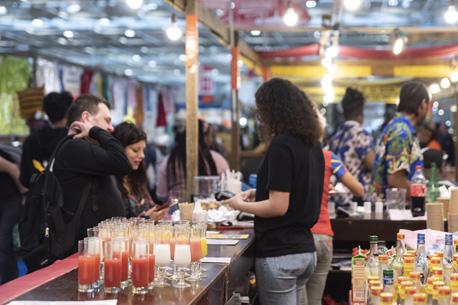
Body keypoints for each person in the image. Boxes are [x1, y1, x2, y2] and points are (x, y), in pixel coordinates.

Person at [225, 78, 324, 305]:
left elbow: (278, 206)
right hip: (305, 251)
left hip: (280, 253)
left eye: (261, 108)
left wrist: (239, 205)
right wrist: (258, 193)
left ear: (274, 109)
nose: (259, 115)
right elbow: (299, 190)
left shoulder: (282, 144)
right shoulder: (312, 144)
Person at [53, 95, 132, 243]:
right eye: (107, 120)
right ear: (86, 118)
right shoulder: (74, 146)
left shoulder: (87, 149)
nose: (111, 127)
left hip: (97, 245)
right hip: (83, 250)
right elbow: (123, 163)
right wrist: (95, 131)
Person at [303, 112, 364, 305]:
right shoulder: (329, 157)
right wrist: (330, 186)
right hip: (324, 238)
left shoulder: (294, 159)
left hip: (300, 238)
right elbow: (359, 190)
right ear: (320, 134)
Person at [372, 81, 431, 200]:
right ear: (423, 104)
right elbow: (395, 178)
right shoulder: (401, 133)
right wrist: (423, 198)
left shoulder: (397, 127)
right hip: (394, 212)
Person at [156, 119, 229, 203]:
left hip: (175, 210)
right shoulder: (217, 159)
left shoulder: (169, 160)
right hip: (207, 208)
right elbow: (226, 188)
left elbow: (161, 194)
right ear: (204, 137)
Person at [112, 122, 170, 219]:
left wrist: (159, 212)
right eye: (135, 150)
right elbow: (112, 225)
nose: (142, 155)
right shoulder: (110, 181)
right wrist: (148, 219)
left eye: (143, 150)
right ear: (119, 150)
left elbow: (150, 206)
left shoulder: (136, 177)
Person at [328, 87, 374, 203]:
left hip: (336, 196)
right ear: (361, 111)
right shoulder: (361, 134)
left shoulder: (336, 136)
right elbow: (371, 164)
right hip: (356, 197)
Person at [20, 92, 73, 187]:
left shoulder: (31, 140)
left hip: (38, 198)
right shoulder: (72, 140)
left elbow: (24, 179)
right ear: (67, 113)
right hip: (66, 198)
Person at [0, 153, 27, 284]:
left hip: (10, 200)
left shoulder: (3, 157)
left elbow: (13, 169)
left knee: (3, 241)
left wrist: (25, 194)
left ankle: (8, 283)